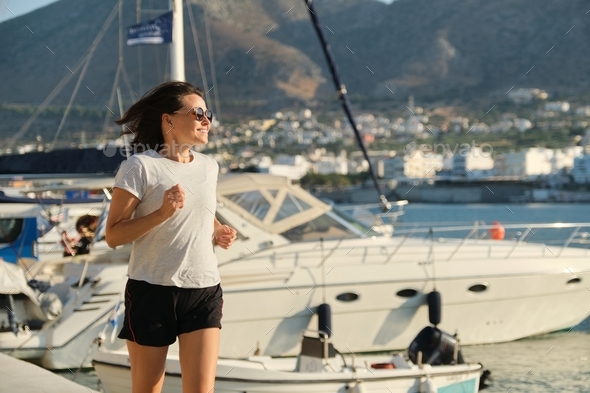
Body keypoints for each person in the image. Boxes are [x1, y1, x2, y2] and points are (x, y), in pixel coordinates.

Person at [105, 81, 237, 393]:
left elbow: (203, 211)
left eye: (209, 114)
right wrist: (161, 214)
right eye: (198, 113)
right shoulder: (140, 167)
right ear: (168, 120)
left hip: (204, 289)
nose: (207, 120)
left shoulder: (209, 167)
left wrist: (218, 230)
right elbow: (113, 235)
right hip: (152, 290)